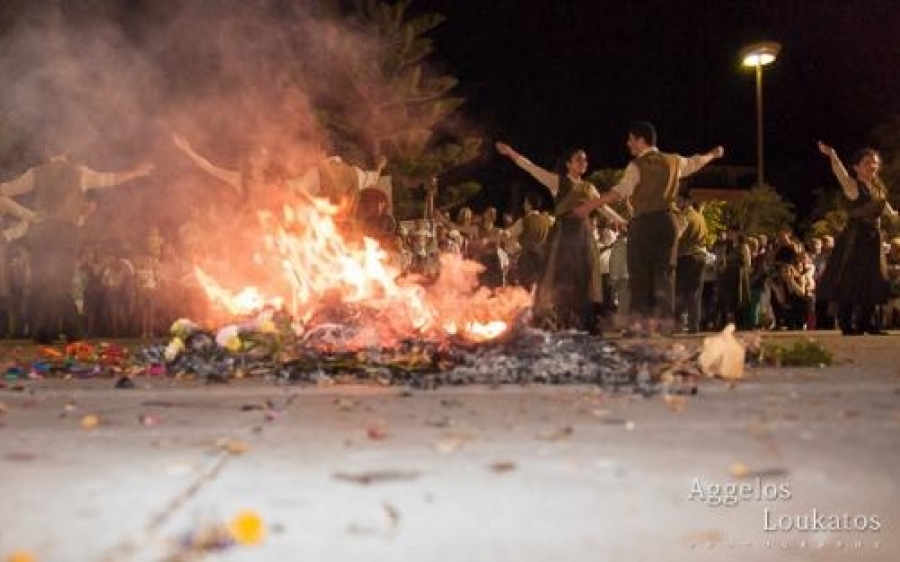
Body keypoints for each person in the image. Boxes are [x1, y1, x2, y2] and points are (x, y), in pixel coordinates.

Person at [573, 121, 724, 335]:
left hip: (643, 223)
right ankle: (665, 327)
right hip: (668, 223)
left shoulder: (636, 166)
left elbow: (619, 191)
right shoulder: (674, 161)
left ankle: (639, 327)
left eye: (631, 139)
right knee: (665, 275)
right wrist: (713, 154)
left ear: (641, 140)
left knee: (640, 276)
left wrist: (589, 205)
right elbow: (695, 162)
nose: (628, 144)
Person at [0, 152, 153, 343]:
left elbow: (7, 189)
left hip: (44, 232)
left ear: (48, 153)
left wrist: (26, 212)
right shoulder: (80, 173)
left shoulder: (36, 173)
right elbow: (109, 179)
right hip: (66, 233)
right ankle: (68, 332)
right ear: (66, 153)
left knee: (44, 283)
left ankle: (47, 332)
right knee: (61, 283)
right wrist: (136, 172)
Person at [496, 141, 625, 333]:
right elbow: (532, 168)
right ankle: (565, 322)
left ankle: (586, 323)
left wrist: (621, 221)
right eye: (579, 159)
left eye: (585, 159)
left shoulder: (589, 188)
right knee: (564, 278)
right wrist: (511, 153)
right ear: (568, 164)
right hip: (565, 234)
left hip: (584, 235)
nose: (584, 162)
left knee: (586, 277)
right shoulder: (558, 182)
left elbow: (602, 208)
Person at [817, 142, 897, 335]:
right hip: (855, 238)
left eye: (875, 163)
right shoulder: (853, 186)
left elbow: (890, 213)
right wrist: (833, 155)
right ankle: (846, 323)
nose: (872, 166)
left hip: (873, 238)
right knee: (851, 278)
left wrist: (894, 216)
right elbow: (840, 173)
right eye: (867, 162)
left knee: (873, 278)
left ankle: (866, 323)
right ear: (856, 167)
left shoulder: (878, 189)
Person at [674, 191, 708, 333]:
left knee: (681, 291)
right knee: (695, 292)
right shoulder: (700, 217)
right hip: (701, 256)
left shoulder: (684, 217)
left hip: (687, 256)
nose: (677, 203)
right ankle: (694, 324)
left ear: (686, 201)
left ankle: (678, 324)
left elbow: (677, 237)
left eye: (679, 201)